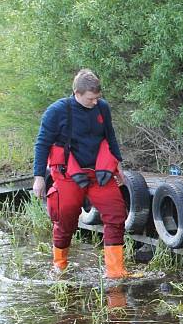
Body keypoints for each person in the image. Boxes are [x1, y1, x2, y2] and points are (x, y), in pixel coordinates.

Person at [32, 69, 129, 278]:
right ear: (77, 92)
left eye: (97, 98)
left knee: (116, 215)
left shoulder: (102, 108)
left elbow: (110, 136)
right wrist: (39, 177)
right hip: (68, 174)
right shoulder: (56, 111)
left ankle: (115, 271)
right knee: (65, 220)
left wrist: (118, 165)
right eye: (90, 99)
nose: (95, 102)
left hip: (99, 174)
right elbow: (42, 144)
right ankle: (59, 266)